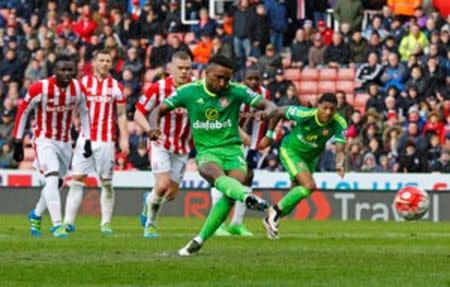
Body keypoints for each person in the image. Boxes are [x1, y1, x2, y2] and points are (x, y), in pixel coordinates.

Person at [148, 55, 277, 255]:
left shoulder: (236, 90)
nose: (223, 83)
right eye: (219, 77)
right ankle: (257, 202)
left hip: (233, 150)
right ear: (206, 73)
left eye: (227, 78)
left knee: (229, 193)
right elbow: (158, 110)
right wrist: (154, 127)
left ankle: (198, 240)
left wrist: (268, 112)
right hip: (207, 152)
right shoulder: (189, 92)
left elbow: (271, 106)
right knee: (215, 174)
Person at [12, 54, 92, 238]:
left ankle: (36, 214)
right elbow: (23, 111)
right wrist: (17, 141)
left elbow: (85, 113)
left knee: (57, 182)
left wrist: (87, 138)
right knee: (51, 176)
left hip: (65, 141)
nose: (66, 73)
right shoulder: (40, 87)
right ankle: (57, 224)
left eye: (70, 70)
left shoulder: (79, 89)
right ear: (54, 71)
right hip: (43, 139)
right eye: (62, 69)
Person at [260, 93, 346, 239]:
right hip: (291, 151)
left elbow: (340, 147)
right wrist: (269, 135)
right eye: (325, 108)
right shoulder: (304, 114)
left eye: (332, 109)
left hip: (311, 159)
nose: (328, 112)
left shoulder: (339, 122)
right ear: (318, 106)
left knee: (293, 199)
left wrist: (339, 163)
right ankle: (273, 211)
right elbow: (279, 111)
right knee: (309, 186)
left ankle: (270, 220)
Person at [63, 49, 128, 235]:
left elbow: (121, 113)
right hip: (85, 139)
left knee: (106, 182)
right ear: (94, 62)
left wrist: (124, 138)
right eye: (102, 60)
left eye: (108, 60)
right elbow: (73, 106)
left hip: (106, 140)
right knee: (77, 180)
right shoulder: (83, 83)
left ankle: (105, 223)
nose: (106, 63)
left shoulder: (116, 86)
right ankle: (68, 222)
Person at [134, 51, 193, 238]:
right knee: (162, 185)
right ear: (171, 69)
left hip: (183, 146)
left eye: (187, 68)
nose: (184, 72)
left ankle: (149, 200)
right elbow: (138, 113)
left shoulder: (196, 89)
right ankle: (150, 225)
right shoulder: (158, 88)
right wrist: (149, 130)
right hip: (161, 143)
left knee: (171, 194)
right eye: (180, 68)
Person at [211, 69, 271, 237]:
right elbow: (224, 117)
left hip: (246, 141)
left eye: (256, 79)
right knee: (222, 177)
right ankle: (218, 224)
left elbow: (261, 119)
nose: (253, 82)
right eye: (249, 79)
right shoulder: (234, 92)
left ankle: (236, 223)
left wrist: (257, 143)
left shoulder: (263, 94)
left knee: (247, 175)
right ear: (243, 80)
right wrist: (241, 134)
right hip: (224, 136)